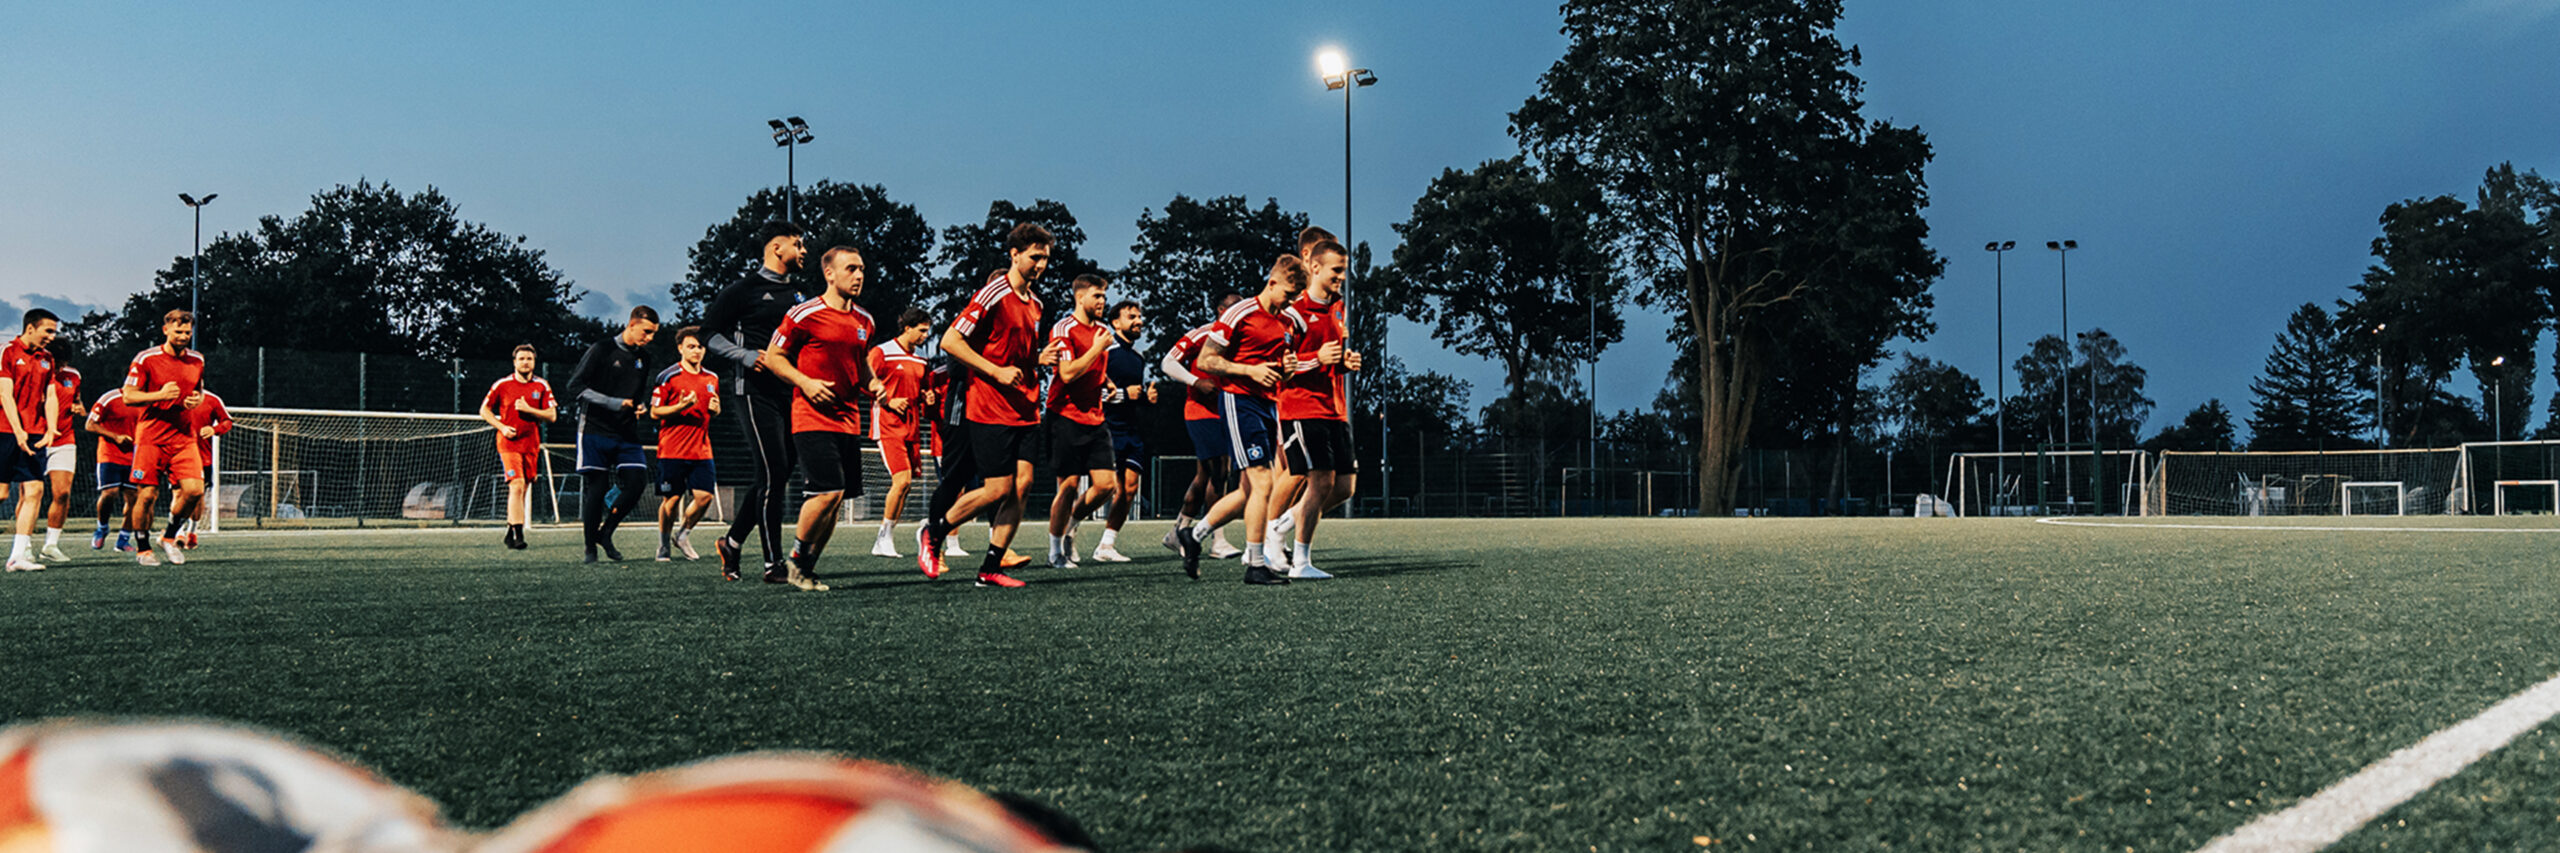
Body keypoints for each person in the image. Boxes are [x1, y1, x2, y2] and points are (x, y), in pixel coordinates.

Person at [917, 223, 1057, 589]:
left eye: (1045, 258)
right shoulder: (994, 292)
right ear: (1014, 254)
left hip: (1026, 408)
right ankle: (934, 533)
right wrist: (995, 371)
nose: (1041, 264)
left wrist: (1038, 359)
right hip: (990, 405)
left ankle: (990, 568)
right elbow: (951, 340)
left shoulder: (1037, 304)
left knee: (1023, 486)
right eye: (1035, 257)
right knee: (997, 489)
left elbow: (1017, 355)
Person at [1173, 256, 1308, 585]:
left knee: (1251, 490)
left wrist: (1288, 369)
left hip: (1268, 405)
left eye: (1296, 297)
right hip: (1238, 400)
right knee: (1262, 482)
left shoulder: (1288, 322)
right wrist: (1249, 370)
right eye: (1288, 294)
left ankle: (1194, 535)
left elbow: (1280, 371)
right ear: (1272, 283)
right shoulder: (1240, 313)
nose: (1290, 302)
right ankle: (1256, 564)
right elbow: (1207, 360)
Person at [759, 246, 877, 592]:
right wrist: (805, 383)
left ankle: (806, 569)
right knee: (828, 492)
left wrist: (875, 385)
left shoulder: (865, 321)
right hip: (811, 417)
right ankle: (795, 562)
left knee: (836, 500)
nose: (859, 275)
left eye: (861, 269)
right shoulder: (804, 313)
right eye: (851, 268)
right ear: (829, 273)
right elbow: (774, 357)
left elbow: (861, 365)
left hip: (849, 420)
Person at [704, 221, 807, 582]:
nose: (804, 251)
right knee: (774, 473)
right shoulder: (742, 290)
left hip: (790, 392)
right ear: (776, 248)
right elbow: (708, 334)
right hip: (753, 391)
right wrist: (745, 356)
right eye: (798, 244)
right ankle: (773, 564)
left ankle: (732, 543)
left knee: (775, 475)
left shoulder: (799, 295)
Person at [1273, 236, 1362, 579]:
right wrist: (1316, 359)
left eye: (1344, 271)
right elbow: (1280, 366)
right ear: (1314, 267)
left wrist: (1345, 363)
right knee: (1320, 481)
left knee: (1345, 488)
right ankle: (1300, 563)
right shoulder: (1292, 312)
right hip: (1302, 407)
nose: (1341, 277)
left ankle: (1280, 524)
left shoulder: (1338, 307)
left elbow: (1331, 359)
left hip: (1335, 408)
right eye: (1336, 271)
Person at [1159, 294, 1248, 566]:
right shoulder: (1203, 334)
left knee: (1205, 476)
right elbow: (1168, 362)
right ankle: (1216, 540)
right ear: (1221, 311)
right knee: (1220, 470)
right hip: (1201, 412)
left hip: (1228, 410)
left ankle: (1178, 531)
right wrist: (1195, 381)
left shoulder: (1243, 338)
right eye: (1233, 310)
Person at [570, 305, 660, 563]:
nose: (649, 338)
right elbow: (575, 387)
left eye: (653, 334)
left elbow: (636, 395)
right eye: (646, 332)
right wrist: (613, 403)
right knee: (597, 490)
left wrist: (640, 406)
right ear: (631, 325)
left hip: (626, 433)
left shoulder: (644, 359)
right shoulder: (602, 349)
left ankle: (606, 533)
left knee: (637, 483)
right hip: (594, 429)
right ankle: (590, 548)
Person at [1042, 274, 1119, 568]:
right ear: (1080, 297)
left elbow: (1091, 365)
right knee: (1069, 486)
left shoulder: (1101, 330)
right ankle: (1055, 552)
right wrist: (1098, 348)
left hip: (1095, 417)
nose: (1102, 301)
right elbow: (1067, 373)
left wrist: (1106, 380)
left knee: (1106, 485)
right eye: (1097, 296)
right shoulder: (1063, 328)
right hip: (1065, 417)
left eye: (1104, 296)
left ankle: (1070, 525)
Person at [121, 309, 207, 567]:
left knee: (194, 490)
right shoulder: (146, 359)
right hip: (151, 436)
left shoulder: (197, 359)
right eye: (178, 331)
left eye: (187, 332)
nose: (183, 336)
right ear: (166, 330)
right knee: (147, 495)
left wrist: (196, 400)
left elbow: (199, 390)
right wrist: (159, 395)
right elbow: (128, 395)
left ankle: (168, 537)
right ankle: (143, 549)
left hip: (184, 437)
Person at [1090, 299, 1155, 563]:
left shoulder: (1138, 358)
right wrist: (1125, 395)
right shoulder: (1106, 351)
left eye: (1139, 316)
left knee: (1130, 489)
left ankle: (1106, 545)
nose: (1139, 321)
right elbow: (1092, 391)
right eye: (1132, 317)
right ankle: (1067, 528)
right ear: (1115, 322)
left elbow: (1133, 395)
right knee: (1104, 488)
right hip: (1106, 428)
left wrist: (1146, 398)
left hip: (1131, 430)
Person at [865, 308, 933, 558]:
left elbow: (922, 388)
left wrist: (927, 396)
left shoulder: (921, 359)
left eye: (928, 331)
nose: (926, 336)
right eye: (922, 330)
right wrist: (888, 401)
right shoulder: (882, 352)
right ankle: (884, 538)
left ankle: (885, 538)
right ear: (907, 328)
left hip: (912, 429)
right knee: (901, 481)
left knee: (906, 486)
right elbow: (863, 381)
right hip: (887, 425)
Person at [649, 328, 720, 562]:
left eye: (700, 347)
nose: (696, 351)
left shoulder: (712, 378)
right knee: (671, 501)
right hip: (672, 449)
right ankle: (663, 545)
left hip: (701, 449)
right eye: (691, 346)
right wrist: (680, 407)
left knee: (705, 497)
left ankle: (682, 535)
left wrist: (716, 410)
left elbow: (714, 408)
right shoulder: (668, 377)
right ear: (680, 348)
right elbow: (655, 412)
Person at [478, 344, 558, 550]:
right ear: (514, 362)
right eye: (521, 359)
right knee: (517, 485)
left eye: (529, 359)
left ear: (534, 362)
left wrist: (530, 409)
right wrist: (502, 427)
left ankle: (510, 531)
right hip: (508, 443)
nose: (525, 362)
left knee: (524, 488)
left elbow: (552, 415)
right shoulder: (502, 384)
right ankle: (518, 535)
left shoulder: (542, 385)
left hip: (531, 444)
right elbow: (484, 410)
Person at [0, 310, 61, 572]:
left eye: (54, 332)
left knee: (35, 490)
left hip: (35, 433)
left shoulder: (47, 359)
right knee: (2, 494)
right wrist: (17, 430)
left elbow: (51, 395)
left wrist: (51, 429)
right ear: (30, 328)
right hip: (4, 430)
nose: (52, 336)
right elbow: (4, 394)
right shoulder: (7, 351)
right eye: (48, 331)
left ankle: (17, 556)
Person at [172, 389, 232, 548]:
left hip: (202, 458)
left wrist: (214, 429)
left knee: (197, 497)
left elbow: (227, 421)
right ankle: (178, 532)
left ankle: (192, 531)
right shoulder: (172, 396)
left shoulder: (212, 399)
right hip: (176, 456)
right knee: (178, 494)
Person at [85, 388, 139, 553]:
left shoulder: (149, 401)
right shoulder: (110, 398)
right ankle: (102, 527)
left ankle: (123, 539)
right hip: (110, 454)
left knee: (134, 497)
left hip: (136, 457)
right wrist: (116, 436)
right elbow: (90, 424)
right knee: (110, 492)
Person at [37, 364, 82, 563]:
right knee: (31, 493)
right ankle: (24, 546)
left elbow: (77, 401)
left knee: (62, 492)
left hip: (64, 439)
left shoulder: (73, 375)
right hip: (35, 438)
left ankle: (51, 545)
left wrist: (78, 407)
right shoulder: (34, 370)